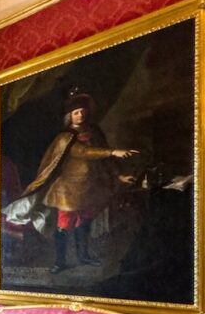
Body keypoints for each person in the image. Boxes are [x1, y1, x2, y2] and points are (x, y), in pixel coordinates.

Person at [8, 88, 139, 273]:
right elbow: (82, 152)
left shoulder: (94, 133)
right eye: (76, 112)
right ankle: (60, 262)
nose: (80, 115)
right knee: (64, 225)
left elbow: (105, 161)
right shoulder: (65, 138)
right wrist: (112, 151)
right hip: (67, 189)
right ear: (69, 116)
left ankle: (83, 256)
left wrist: (119, 175)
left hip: (90, 187)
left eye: (83, 111)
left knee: (84, 222)